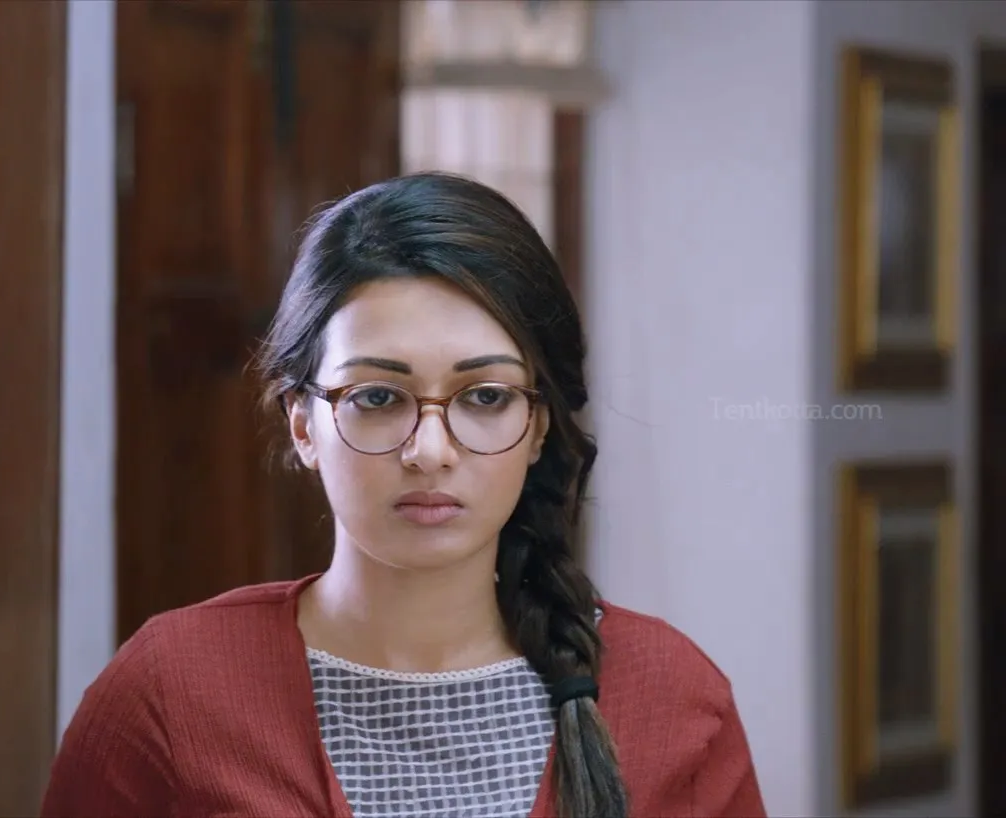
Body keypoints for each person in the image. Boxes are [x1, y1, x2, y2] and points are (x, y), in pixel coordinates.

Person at [41, 173, 766, 818]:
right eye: (379, 397)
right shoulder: (170, 693)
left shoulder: (673, 697)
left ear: (538, 426)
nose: (429, 451)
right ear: (303, 424)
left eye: (485, 396)